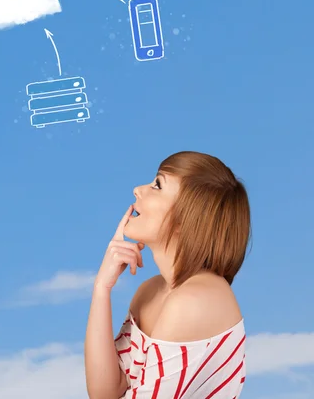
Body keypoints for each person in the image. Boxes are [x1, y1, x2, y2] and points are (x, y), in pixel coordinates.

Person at [84, 151, 251, 399]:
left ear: (187, 217)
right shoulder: (151, 291)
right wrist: (101, 288)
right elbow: (106, 392)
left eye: (157, 185)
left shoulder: (194, 301)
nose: (137, 190)